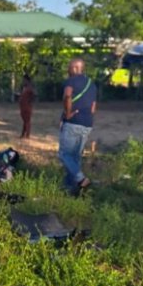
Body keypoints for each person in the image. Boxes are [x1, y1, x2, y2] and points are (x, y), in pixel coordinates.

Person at [59, 57, 97, 193]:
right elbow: (93, 107)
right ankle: (71, 187)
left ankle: (81, 180)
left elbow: (67, 96)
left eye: (69, 67)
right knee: (75, 156)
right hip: (87, 124)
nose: (68, 70)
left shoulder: (71, 81)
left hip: (73, 122)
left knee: (64, 154)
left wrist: (67, 113)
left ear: (75, 68)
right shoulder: (91, 84)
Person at [18, 74, 35, 139]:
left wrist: (29, 101)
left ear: (27, 80)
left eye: (24, 80)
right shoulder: (24, 87)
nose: (23, 81)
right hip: (22, 106)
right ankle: (23, 134)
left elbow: (34, 95)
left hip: (27, 106)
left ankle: (27, 135)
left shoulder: (29, 87)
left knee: (27, 121)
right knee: (25, 121)